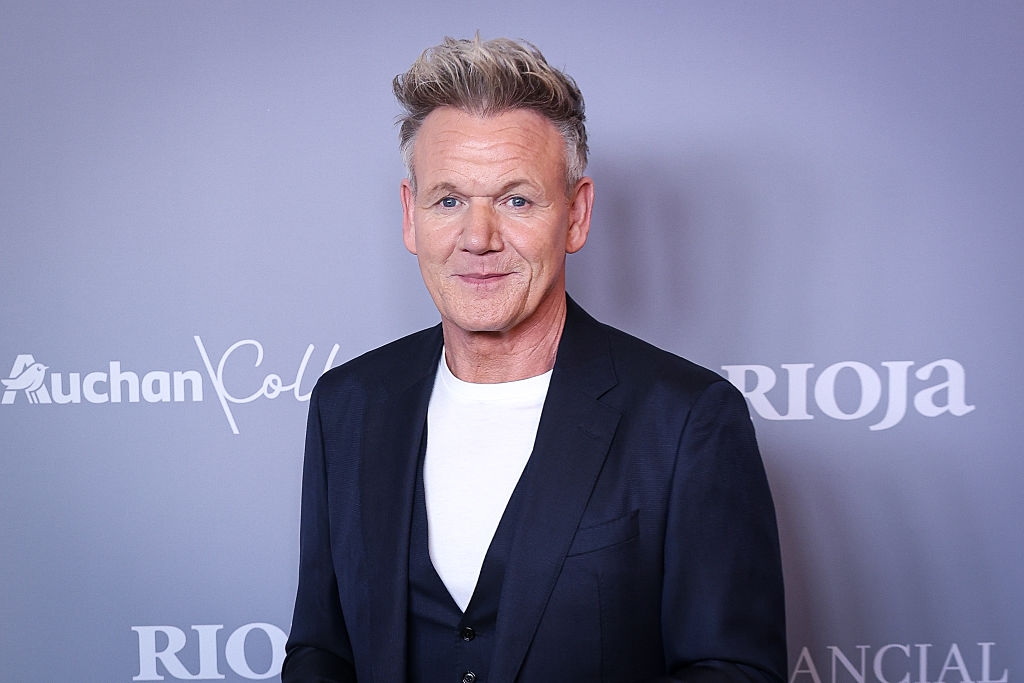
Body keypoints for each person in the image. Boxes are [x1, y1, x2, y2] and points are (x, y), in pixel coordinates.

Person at [282, 36, 786, 683]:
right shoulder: (346, 406)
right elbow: (321, 650)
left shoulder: (688, 420)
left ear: (575, 215)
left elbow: (734, 671)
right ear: (411, 216)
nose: (478, 238)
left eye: (516, 199)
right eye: (449, 200)